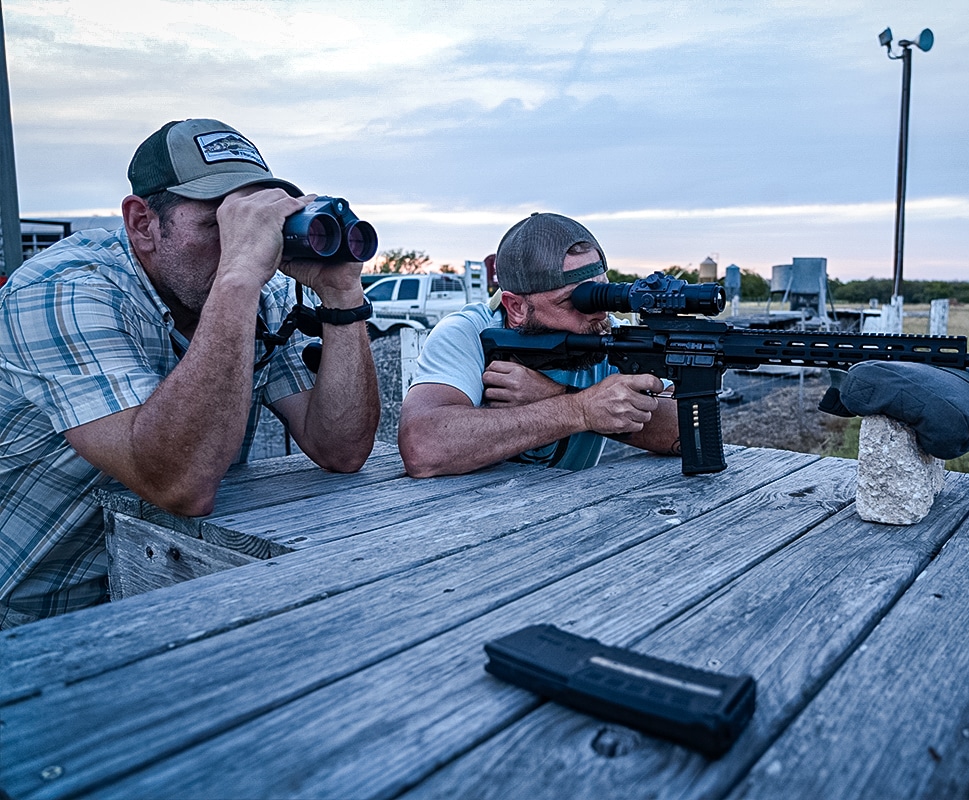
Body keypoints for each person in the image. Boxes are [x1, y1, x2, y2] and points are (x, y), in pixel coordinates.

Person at [0, 118, 381, 627]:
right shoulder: (62, 291)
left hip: (159, 592)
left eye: (253, 226)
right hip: (29, 611)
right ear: (142, 224)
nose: (244, 246)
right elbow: (181, 485)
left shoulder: (253, 300)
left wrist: (341, 295)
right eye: (219, 225)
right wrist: (239, 278)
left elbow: (341, 448)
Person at [398, 212, 679, 477]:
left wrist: (555, 395)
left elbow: (690, 428)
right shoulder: (468, 334)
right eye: (578, 300)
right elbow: (423, 446)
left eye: (603, 292)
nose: (600, 312)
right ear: (516, 307)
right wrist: (579, 410)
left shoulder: (608, 336)